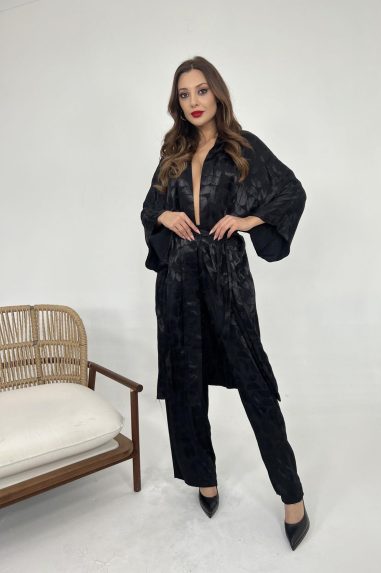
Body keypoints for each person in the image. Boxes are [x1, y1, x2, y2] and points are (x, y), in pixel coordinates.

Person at [140, 56, 310, 550]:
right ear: (178, 103)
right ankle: (205, 479)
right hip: (178, 282)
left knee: (254, 383)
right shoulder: (172, 154)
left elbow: (291, 192)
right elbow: (149, 208)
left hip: (227, 278)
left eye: (201, 90)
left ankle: (292, 495)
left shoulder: (242, 147)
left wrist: (249, 220)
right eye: (184, 94)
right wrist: (165, 216)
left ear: (216, 93)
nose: (194, 101)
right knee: (186, 381)